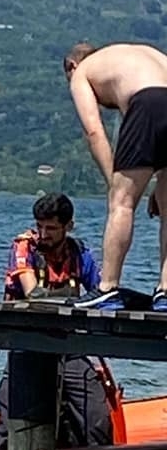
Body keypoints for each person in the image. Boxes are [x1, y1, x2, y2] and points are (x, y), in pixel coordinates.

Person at [0, 192, 114, 450]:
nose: (43, 234)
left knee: (96, 415)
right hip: (27, 343)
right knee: (9, 416)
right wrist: (76, 301)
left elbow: (101, 293)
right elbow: (33, 293)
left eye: (51, 228)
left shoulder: (79, 253)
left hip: (69, 345)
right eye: (40, 226)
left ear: (68, 227)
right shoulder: (24, 247)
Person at [62, 41, 167, 311]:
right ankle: (165, 292)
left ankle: (108, 287)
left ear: (71, 66)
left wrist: (115, 184)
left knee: (122, 203)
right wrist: (156, 188)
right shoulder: (136, 56)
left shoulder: (82, 71)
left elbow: (94, 133)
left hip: (147, 102)